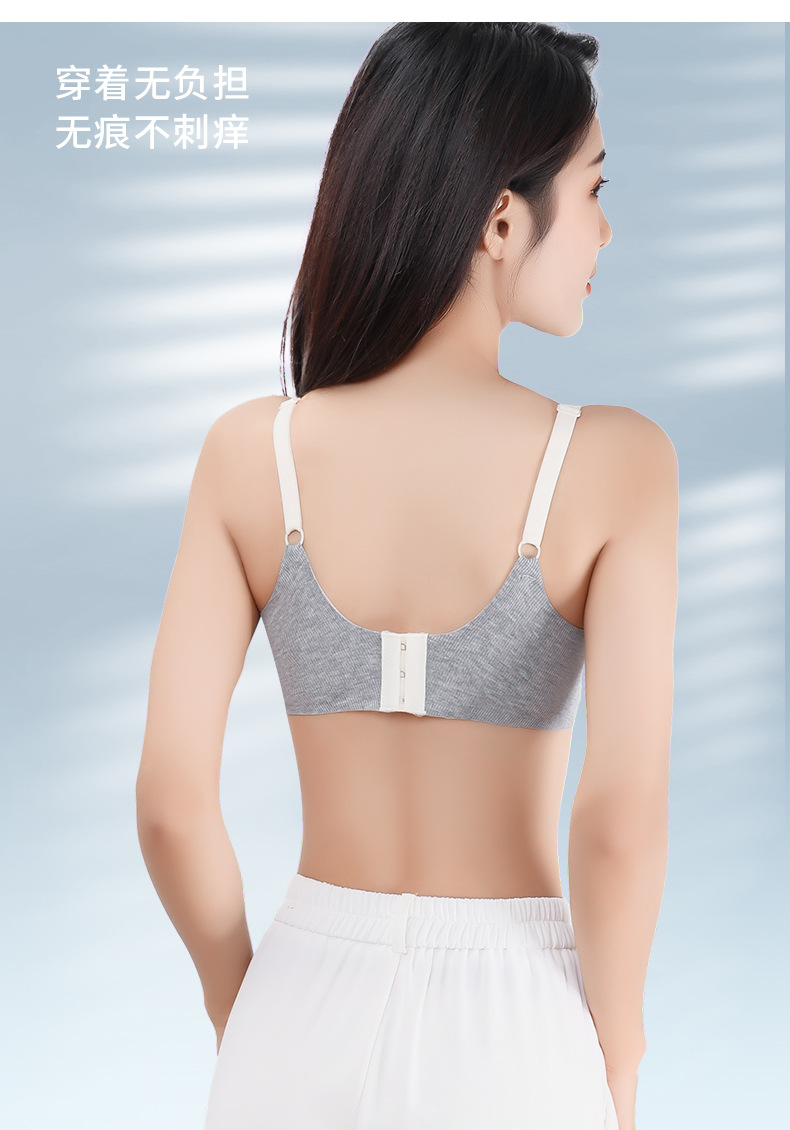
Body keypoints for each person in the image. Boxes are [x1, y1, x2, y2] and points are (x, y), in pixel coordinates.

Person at [136, 21, 677, 1130]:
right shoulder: (615, 463)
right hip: (517, 1027)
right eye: (592, 189)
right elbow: (618, 820)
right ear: (501, 218)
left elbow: (171, 805)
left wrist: (247, 1008)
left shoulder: (252, 454)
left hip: (295, 1006)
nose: (606, 229)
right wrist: (616, 1061)